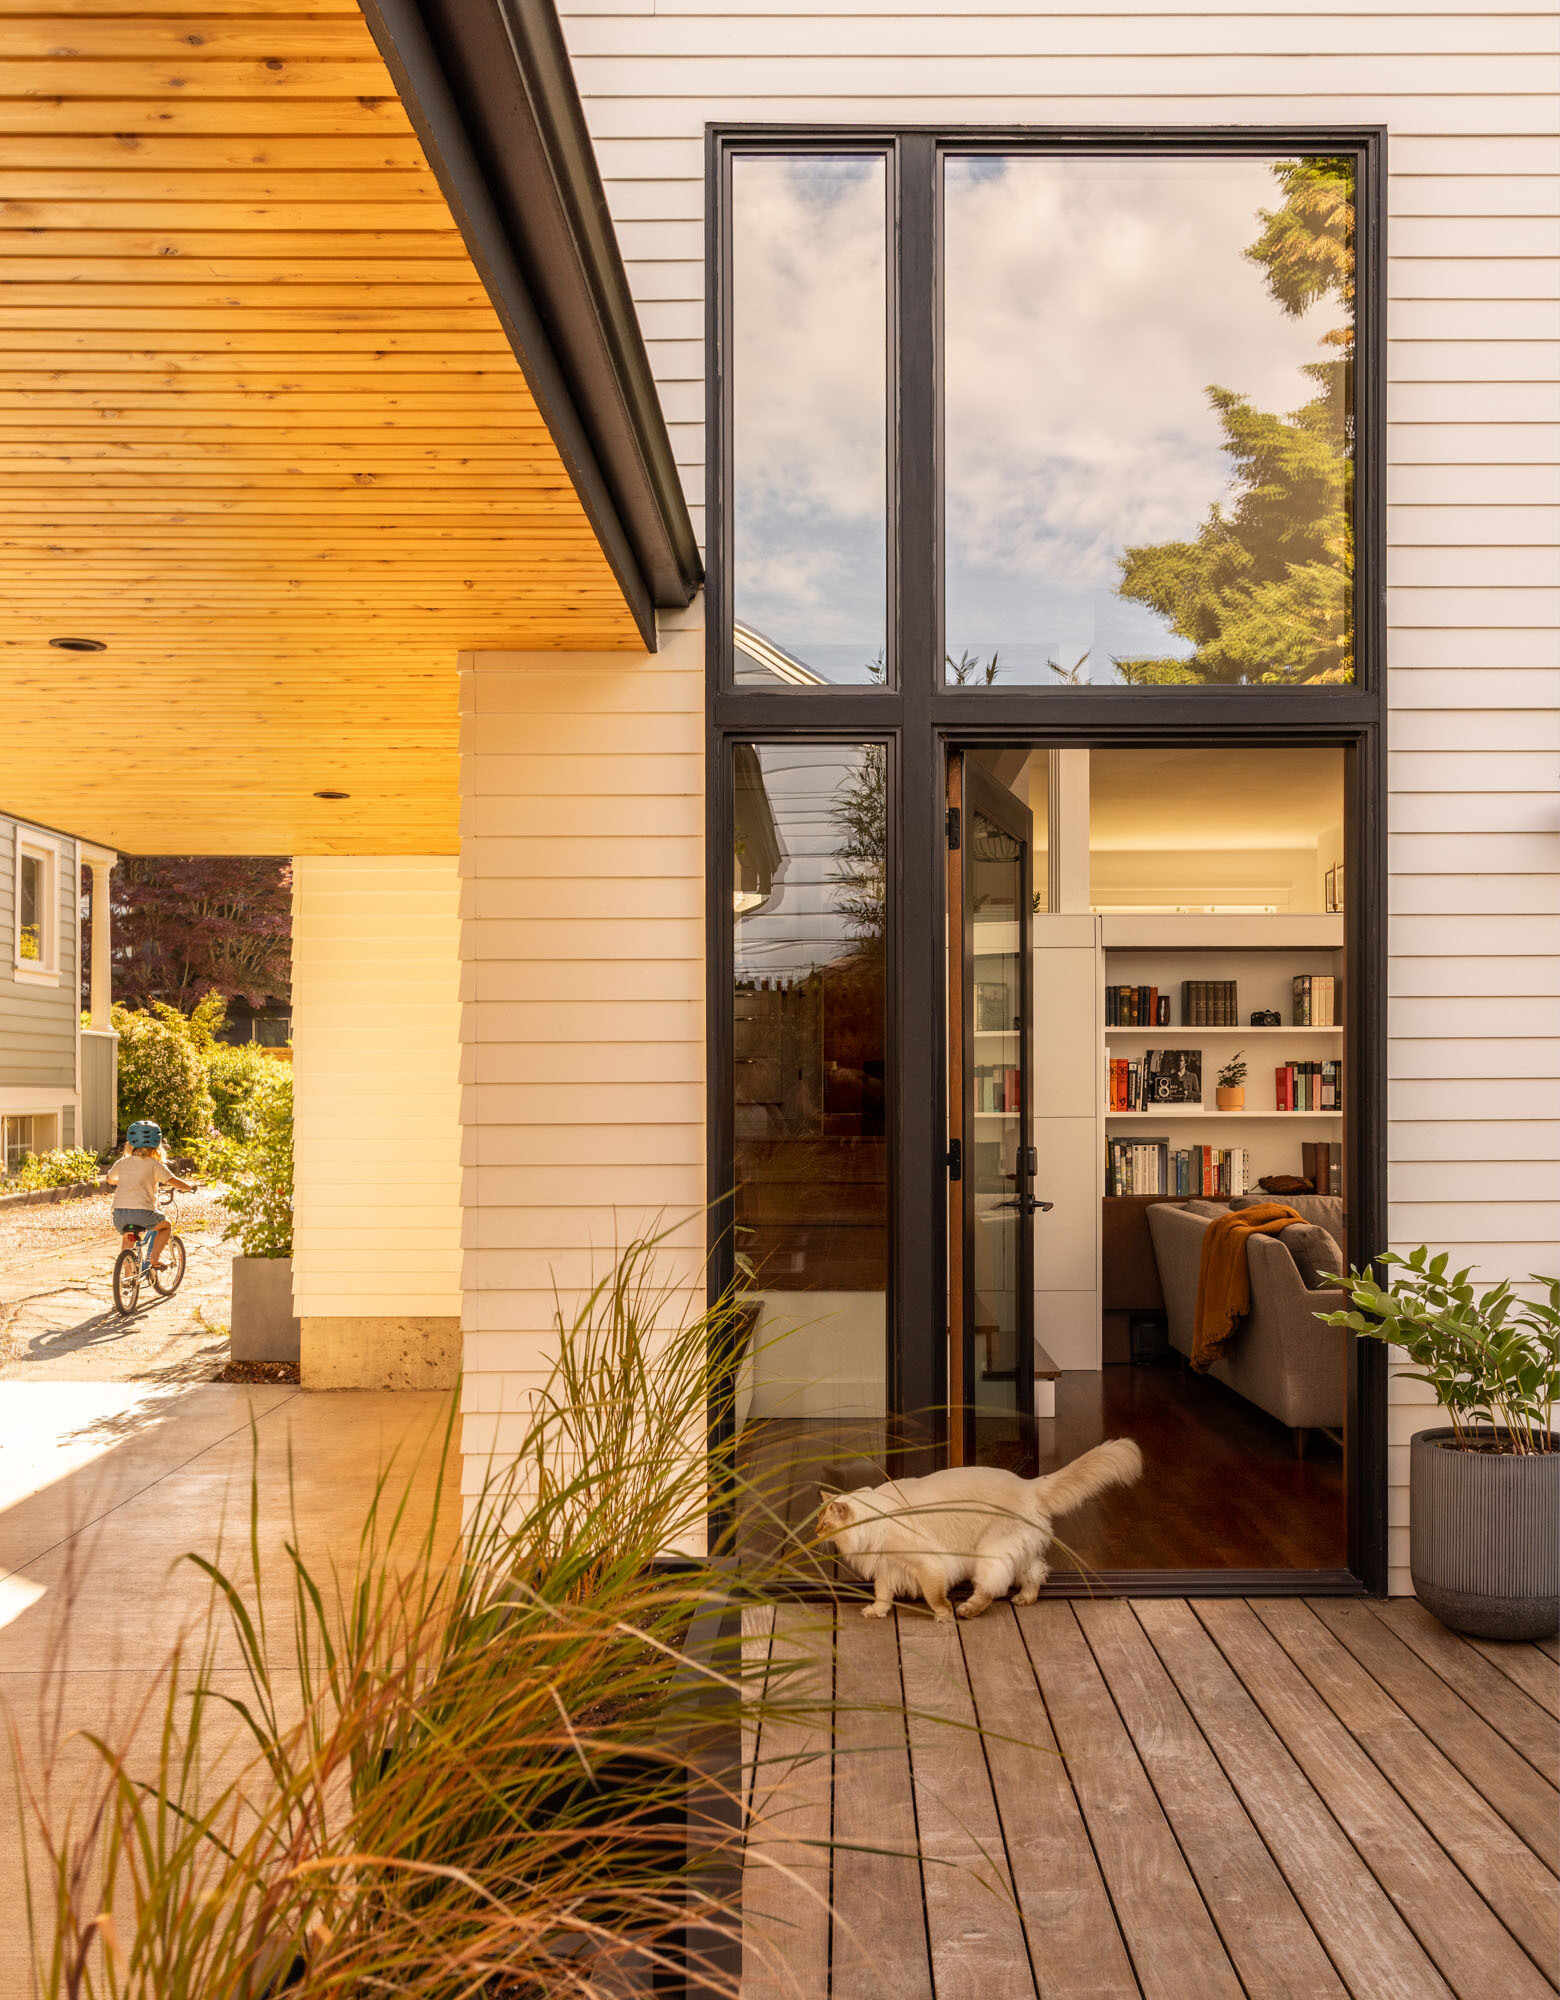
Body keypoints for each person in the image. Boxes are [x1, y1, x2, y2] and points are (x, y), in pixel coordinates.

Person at [105, 1120, 194, 1272]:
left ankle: (127, 1278)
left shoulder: (122, 1162)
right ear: (157, 1146)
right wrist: (189, 1187)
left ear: (130, 1144)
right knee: (165, 1226)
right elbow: (173, 1181)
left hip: (119, 1215)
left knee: (128, 1239)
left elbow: (110, 1179)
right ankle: (155, 1259)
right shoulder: (154, 1164)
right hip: (143, 1213)